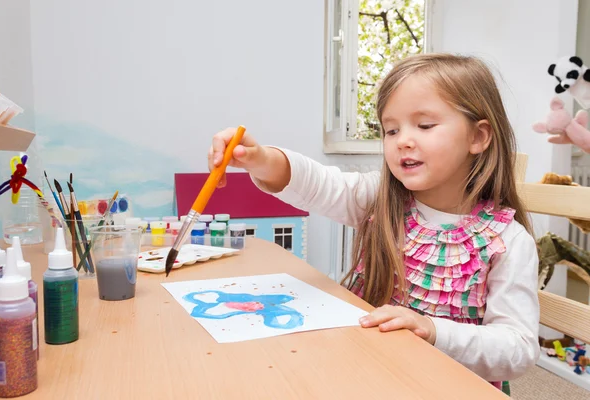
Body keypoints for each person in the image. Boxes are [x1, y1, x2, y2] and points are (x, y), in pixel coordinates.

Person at [207, 53, 540, 394]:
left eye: (424, 125)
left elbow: (519, 349)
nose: (402, 140)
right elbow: (320, 184)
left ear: (478, 137)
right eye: (391, 129)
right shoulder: (380, 199)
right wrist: (260, 159)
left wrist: (432, 330)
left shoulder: (507, 241)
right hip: (369, 370)